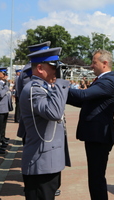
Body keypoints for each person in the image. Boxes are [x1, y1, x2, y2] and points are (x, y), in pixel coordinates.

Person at [67, 49, 114, 200]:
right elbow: (84, 101)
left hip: (100, 136)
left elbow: (84, 95)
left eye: (94, 62)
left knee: (96, 178)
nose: (91, 66)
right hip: (96, 135)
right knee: (95, 177)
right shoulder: (103, 80)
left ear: (104, 63)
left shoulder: (108, 80)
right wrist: (62, 95)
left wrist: (61, 87)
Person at [19, 47, 70, 200]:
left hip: (49, 159)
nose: (56, 70)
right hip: (40, 161)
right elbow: (54, 113)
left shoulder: (44, 87)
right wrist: (61, 82)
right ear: (40, 68)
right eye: (53, 67)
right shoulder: (34, 89)